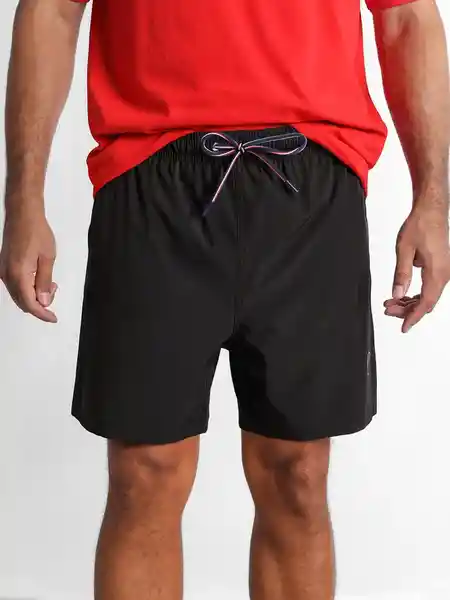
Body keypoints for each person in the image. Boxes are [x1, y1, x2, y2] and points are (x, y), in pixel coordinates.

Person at [1, 0, 449, 598]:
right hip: (151, 174)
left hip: (311, 180)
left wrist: (432, 202)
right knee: (144, 475)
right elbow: (52, 10)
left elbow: (407, 16)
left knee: (298, 475)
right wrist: (23, 199)